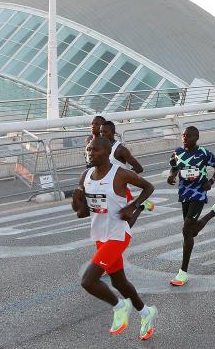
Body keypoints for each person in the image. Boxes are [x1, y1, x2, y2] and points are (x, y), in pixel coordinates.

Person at [73, 137, 158, 340]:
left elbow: (149, 187)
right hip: (99, 235)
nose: (90, 153)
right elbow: (83, 212)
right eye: (88, 149)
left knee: (88, 281)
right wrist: (76, 202)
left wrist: (133, 205)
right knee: (120, 283)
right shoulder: (85, 176)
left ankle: (120, 307)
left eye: (94, 150)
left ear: (106, 151)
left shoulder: (120, 174)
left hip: (118, 235)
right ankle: (147, 312)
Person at [166, 127, 215, 286]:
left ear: (196, 137)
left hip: (198, 194)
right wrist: (171, 175)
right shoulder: (177, 152)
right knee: (191, 232)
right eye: (183, 135)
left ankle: (182, 273)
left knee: (186, 231)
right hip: (184, 194)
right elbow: (174, 166)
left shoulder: (204, 153)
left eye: (188, 136)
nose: (185, 138)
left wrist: (210, 182)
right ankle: (214, 212)